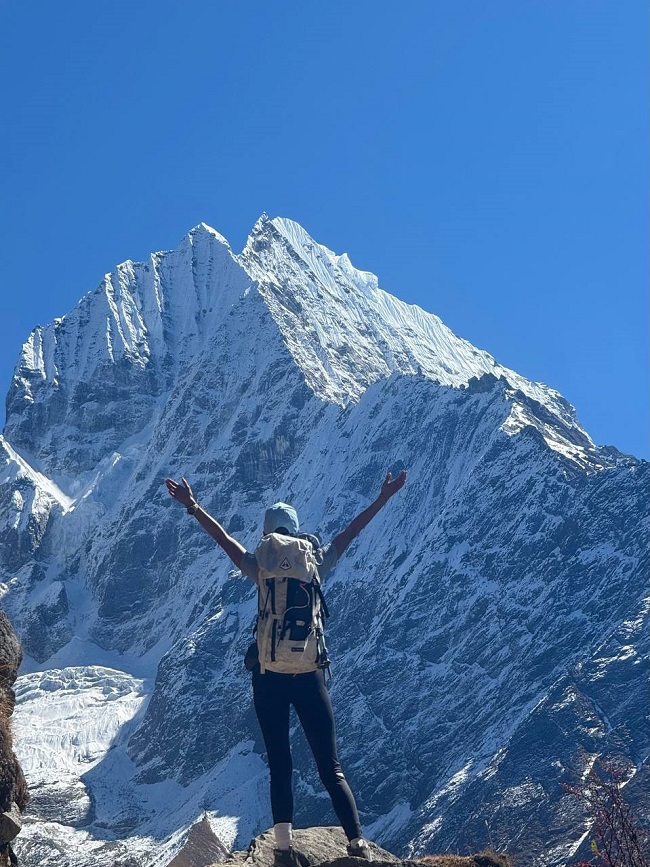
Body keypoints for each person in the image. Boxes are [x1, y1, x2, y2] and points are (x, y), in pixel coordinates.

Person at [165, 470, 407, 865]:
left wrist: (192, 505)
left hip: (269, 678)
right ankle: (357, 842)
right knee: (330, 765)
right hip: (310, 675)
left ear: (267, 534)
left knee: (280, 763)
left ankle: (281, 848)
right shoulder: (315, 562)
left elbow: (223, 539)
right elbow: (351, 532)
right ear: (297, 531)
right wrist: (383, 498)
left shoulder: (260, 565)